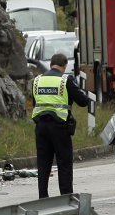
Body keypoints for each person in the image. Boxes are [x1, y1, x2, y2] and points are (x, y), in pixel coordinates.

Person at [31, 52, 91, 198]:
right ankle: (66, 199)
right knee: (64, 164)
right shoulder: (65, 80)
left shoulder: (37, 80)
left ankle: (43, 198)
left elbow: (35, 103)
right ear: (64, 66)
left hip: (41, 127)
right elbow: (83, 101)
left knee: (43, 164)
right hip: (59, 127)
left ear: (51, 64)